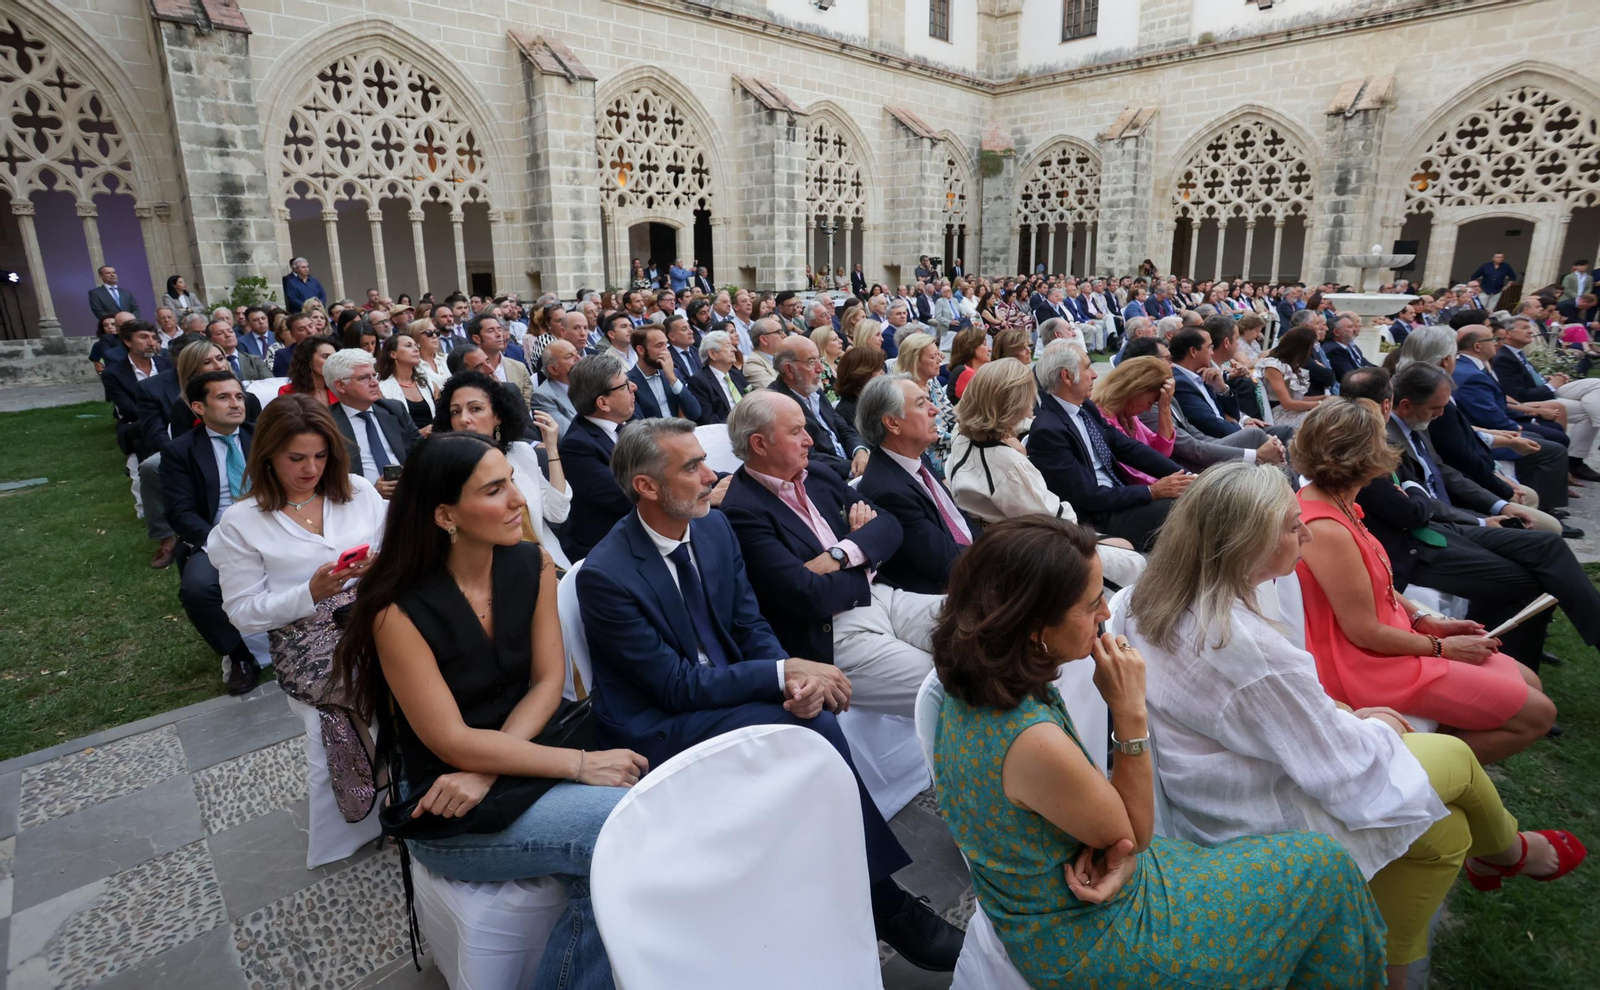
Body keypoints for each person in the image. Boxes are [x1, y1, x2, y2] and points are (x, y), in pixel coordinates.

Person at [1125, 461, 1585, 990]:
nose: (1304, 532)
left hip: (1224, 778)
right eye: (1290, 525)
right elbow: (1337, 768)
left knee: (1447, 829)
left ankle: (1394, 970)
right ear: (1246, 542)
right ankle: (1509, 852)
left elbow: (1291, 719)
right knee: (1453, 760)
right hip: (1253, 811)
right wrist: (1379, 724)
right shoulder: (1241, 647)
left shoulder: (1161, 594)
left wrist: (1347, 715)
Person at [931, 515, 1388, 990]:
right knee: (1326, 869)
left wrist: (1115, 847)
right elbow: (1137, 832)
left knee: (1316, 873)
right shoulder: (1027, 737)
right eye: (1090, 606)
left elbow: (1075, 824)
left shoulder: (976, 684)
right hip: (1097, 940)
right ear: (1031, 626)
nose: (1106, 614)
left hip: (1070, 895)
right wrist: (1129, 712)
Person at [576, 417, 963, 969]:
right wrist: (781, 678)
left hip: (724, 691)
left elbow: (749, 625)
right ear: (646, 486)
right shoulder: (607, 574)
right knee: (815, 726)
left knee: (812, 710)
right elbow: (675, 685)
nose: (712, 474)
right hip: (659, 723)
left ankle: (861, 900)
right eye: (692, 467)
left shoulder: (711, 528)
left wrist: (791, 675)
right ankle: (887, 907)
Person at [330, 431, 640, 990]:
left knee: (634, 832)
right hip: (446, 805)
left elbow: (547, 683)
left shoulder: (532, 563)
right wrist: (577, 765)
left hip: (495, 767)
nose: (519, 500)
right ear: (445, 514)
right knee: (620, 833)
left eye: (511, 482)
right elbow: (449, 740)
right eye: (494, 490)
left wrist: (492, 766)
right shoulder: (393, 609)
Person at [1290, 398, 1556, 763]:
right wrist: (1443, 647)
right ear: (1368, 458)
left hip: (1392, 642)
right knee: (1538, 714)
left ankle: (1439, 758)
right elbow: (1363, 632)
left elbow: (1375, 581)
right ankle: (1416, 776)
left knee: (1528, 681)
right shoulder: (1327, 527)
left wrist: (1422, 619)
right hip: (1366, 664)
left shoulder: (1339, 504)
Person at [207, 395, 388, 850]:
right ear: (268, 454)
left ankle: (413, 778)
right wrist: (309, 593)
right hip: (306, 635)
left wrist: (376, 566)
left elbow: (394, 550)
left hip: (372, 613)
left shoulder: (358, 491)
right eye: (297, 458)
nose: (311, 468)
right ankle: (383, 785)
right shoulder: (241, 521)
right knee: (366, 683)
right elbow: (242, 611)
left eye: (321, 456)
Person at [1341, 366, 1600, 671]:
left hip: (1436, 524)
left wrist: (1497, 505)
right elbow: (1410, 509)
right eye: (1436, 407)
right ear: (1390, 403)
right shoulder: (1367, 448)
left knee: (1546, 545)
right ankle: (1510, 675)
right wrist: (1463, 514)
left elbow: (1435, 479)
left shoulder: (1403, 430)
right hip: (1416, 544)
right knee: (1529, 582)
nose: (1439, 414)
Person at [720, 391, 940, 716]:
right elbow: (807, 594)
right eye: (795, 431)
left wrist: (843, 553)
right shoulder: (742, 511)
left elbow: (891, 526)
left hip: (886, 597)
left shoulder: (817, 474)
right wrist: (866, 554)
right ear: (759, 444)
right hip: (833, 631)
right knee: (942, 684)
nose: (809, 440)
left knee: (987, 629)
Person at [945, 358, 1146, 588]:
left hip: (1004, 535)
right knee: (1133, 559)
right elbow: (1056, 520)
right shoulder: (1009, 466)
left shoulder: (961, 436)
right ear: (1013, 404)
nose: (1034, 402)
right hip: (1033, 547)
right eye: (1028, 396)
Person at [1029, 341, 1189, 552]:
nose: (1094, 374)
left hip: (1116, 499)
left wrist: (1184, 475)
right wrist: (1151, 491)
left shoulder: (1084, 407)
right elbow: (1088, 496)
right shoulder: (1048, 431)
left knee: (1193, 496)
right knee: (1185, 509)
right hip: (1096, 520)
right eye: (1087, 367)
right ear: (1067, 377)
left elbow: (1128, 448)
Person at [160, 370, 263, 694]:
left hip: (271, 525)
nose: (235, 404)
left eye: (238, 396)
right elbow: (180, 511)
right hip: (215, 533)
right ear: (198, 407)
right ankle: (239, 655)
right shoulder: (181, 451)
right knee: (197, 588)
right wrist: (218, 541)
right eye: (223, 397)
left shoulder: (263, 436)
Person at [434, 372, 573, 569]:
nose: (464, 419)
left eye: (475, 409)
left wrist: (551, 448)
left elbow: (557, 513)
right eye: (455, 412)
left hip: (547, 562)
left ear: (498, 416)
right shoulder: (443, 468)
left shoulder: (521, 452)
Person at [855, 375, 974, 594]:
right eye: (921, 404)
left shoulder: (917, 459)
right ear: (892, 423)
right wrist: (1002, 557)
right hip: (945, 597)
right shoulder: (887, 492)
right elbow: (948, 564)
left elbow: (959, 520)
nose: (935, 410)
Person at [1492, 317, 1600, 480]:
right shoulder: (1504, 358)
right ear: (1508, 334)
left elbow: (1528, 380)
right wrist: (1551, 386)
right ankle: (1575, 462)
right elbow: (1518, 395)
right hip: (1533, 400)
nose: (1530, 331)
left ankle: (1575, 460)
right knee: (1591, 398)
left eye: (1529, 327)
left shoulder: (1516, 353)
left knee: (1594, 390)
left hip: (1546, 390)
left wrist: (1548, 381)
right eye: (1524, 328)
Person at [557, 354, 638, 561]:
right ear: (603, 403)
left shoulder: (630, 421)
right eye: (625, 385)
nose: (634, 388)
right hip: (609, 549)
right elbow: (628, 497)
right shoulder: (577, 447)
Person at [325, 348, 423, 498]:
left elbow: (421, 451)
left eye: (374, 375)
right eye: (364, 378)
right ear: (340, 386)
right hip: (358, 503)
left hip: (409, 494)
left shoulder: (394, 409)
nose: (375, 382)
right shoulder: (327, 423)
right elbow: (328, 479)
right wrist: (371, 492)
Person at [768, 335, 868, 481]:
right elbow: (806, 454)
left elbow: (842, 427)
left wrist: (860, 451)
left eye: (819, 360)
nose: (820, 368)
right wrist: (853, 468)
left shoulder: (813, 390)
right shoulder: (778, 403)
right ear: (789, 369)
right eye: (811, 362)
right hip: (826, 479)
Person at [1090, 356, 1178, 485]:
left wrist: (1164, 409)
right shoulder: (1103, 418)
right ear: (1134, 391)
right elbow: (1134, 473)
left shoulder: (1127, 417)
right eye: (1149, 402)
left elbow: (1161, 452)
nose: (1148, 409)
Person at [892, 332, 955, 472]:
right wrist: (967, 439)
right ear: (915, 361)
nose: (940, 360)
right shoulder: (904, 392)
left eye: (938, 354)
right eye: (933, 357)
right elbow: (933, 436)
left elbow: (952, 414)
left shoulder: (931, 382)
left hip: (952, 449)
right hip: (929, 459)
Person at [626, 324, 702, 421]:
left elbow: (695, 412)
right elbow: (637, 424)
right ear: (641, 350)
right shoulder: (628, 382)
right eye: (659, 346)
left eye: (666, 345)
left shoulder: (673, 373)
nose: (666, 351)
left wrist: (672, 379)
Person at [1258, 324, 1325, 427]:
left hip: (1291, 411)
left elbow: (1297, 398)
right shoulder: (1273, 366)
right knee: (1328, 420)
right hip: (1281, 415)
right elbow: (1288, 403)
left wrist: (1324, 398)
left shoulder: (1291, 364)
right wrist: (1321, 404)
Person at [377, 331, 439, 435]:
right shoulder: (382, 388)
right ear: (393, 354)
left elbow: (442, 414)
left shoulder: (429, 383)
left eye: (416, 345)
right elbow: (387, 429)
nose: (416, 349)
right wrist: (419, 434)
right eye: (408, 346)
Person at [684, 330, 749, 426]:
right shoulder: (698, 381)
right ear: (712, 354)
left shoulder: (736, 375)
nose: (734, 349)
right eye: (727, 345)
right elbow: (709, 420)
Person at [833, 344, 885, 431]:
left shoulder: (874, 403)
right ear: (862, 375)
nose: (883, 373)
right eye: (878, 370)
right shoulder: (848, 412)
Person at [279, 333, 340, 406]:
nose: (332, 361)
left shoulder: (339, 390)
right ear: (309, 360)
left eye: (334, 357)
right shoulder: (288, 392)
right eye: (325, 356)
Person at [946, 326, 990, 402]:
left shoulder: (975, 371)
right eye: (984, 344)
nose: (989, 349)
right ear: (971, 347)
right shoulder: (963, 372)